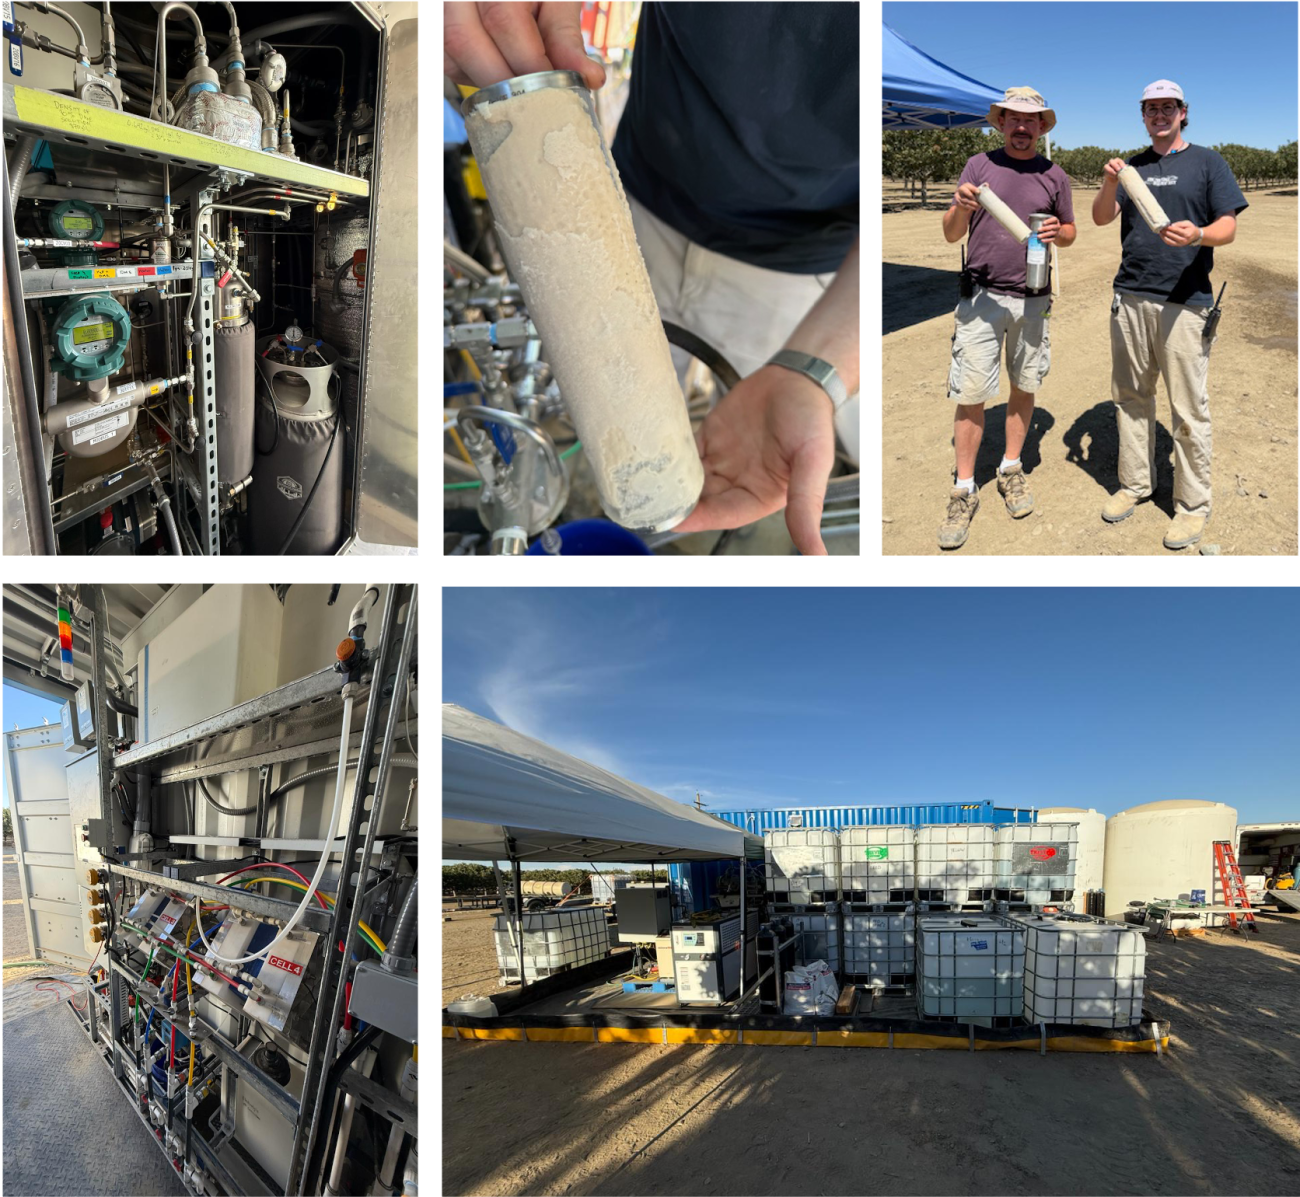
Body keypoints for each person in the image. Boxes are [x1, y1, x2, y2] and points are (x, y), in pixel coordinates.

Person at [444, 0, 860, 556]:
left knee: (717, 460)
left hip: (798, 262)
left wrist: (816, 370)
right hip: (624, 201)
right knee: (609, 418)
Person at [1091, 81, 1247, 550]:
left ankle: (1192, 506)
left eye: (1168, 107)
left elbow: (1229, 226)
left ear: (1183, 112)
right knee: (1131, 398)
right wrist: (1109, 182)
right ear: (1143, 115)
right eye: (1150, 108)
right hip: (1131, 296)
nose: (1159, 114)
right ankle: (1136, 484)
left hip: (1186, 301)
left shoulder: (1207, 162)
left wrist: (1199, 234)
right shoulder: (1133, 167)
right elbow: (1101, 218)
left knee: (1188, 410)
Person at [937, 87, 1076, 551]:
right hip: (979, 297)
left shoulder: (1055, 175)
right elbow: (951, 231)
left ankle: (1011, 467)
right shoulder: (979, 166)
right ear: (1000, 123)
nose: (1021, 126)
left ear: (1041, 127)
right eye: (1013, 118)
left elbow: (1071, 231)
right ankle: (963, 488)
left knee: (1024, 385)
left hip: (1033, 299)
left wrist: (1061, 231)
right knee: (972, 392)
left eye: (1030, 119)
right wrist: (960, 204)